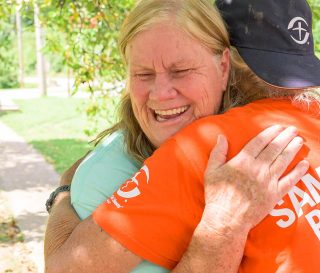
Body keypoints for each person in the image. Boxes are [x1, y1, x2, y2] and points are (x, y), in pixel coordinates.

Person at [44, 0, 319, 272]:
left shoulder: (201, 144)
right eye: (143, 73)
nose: (161, 92)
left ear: (226, 66)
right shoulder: (309, 116)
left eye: (182, 70)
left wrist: (63, 192)